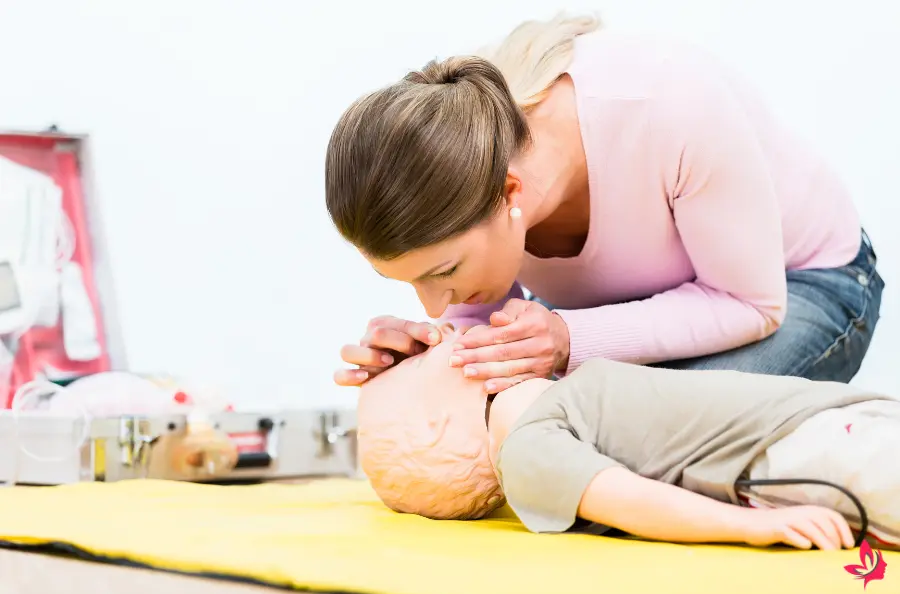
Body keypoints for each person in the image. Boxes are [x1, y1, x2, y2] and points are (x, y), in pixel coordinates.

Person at [326, 13, 885, 395]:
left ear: (510, 194)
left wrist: (569, 340)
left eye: (443, 272)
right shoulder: (468, 146)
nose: (431, 304)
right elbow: (474, 323)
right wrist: (431, 357)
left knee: (643, 441)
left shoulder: (668, 105)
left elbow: (753, 305)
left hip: (803, 285)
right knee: (567, 438)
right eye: (410, 282)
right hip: (640, 313)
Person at [356, 324, 900, 551]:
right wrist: (751, 526)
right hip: (794, 451)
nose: (447, 330)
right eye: (429, 356)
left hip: (816, 417)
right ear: (437, 427)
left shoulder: (545, 404)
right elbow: (630, 500)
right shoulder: (525, 450)